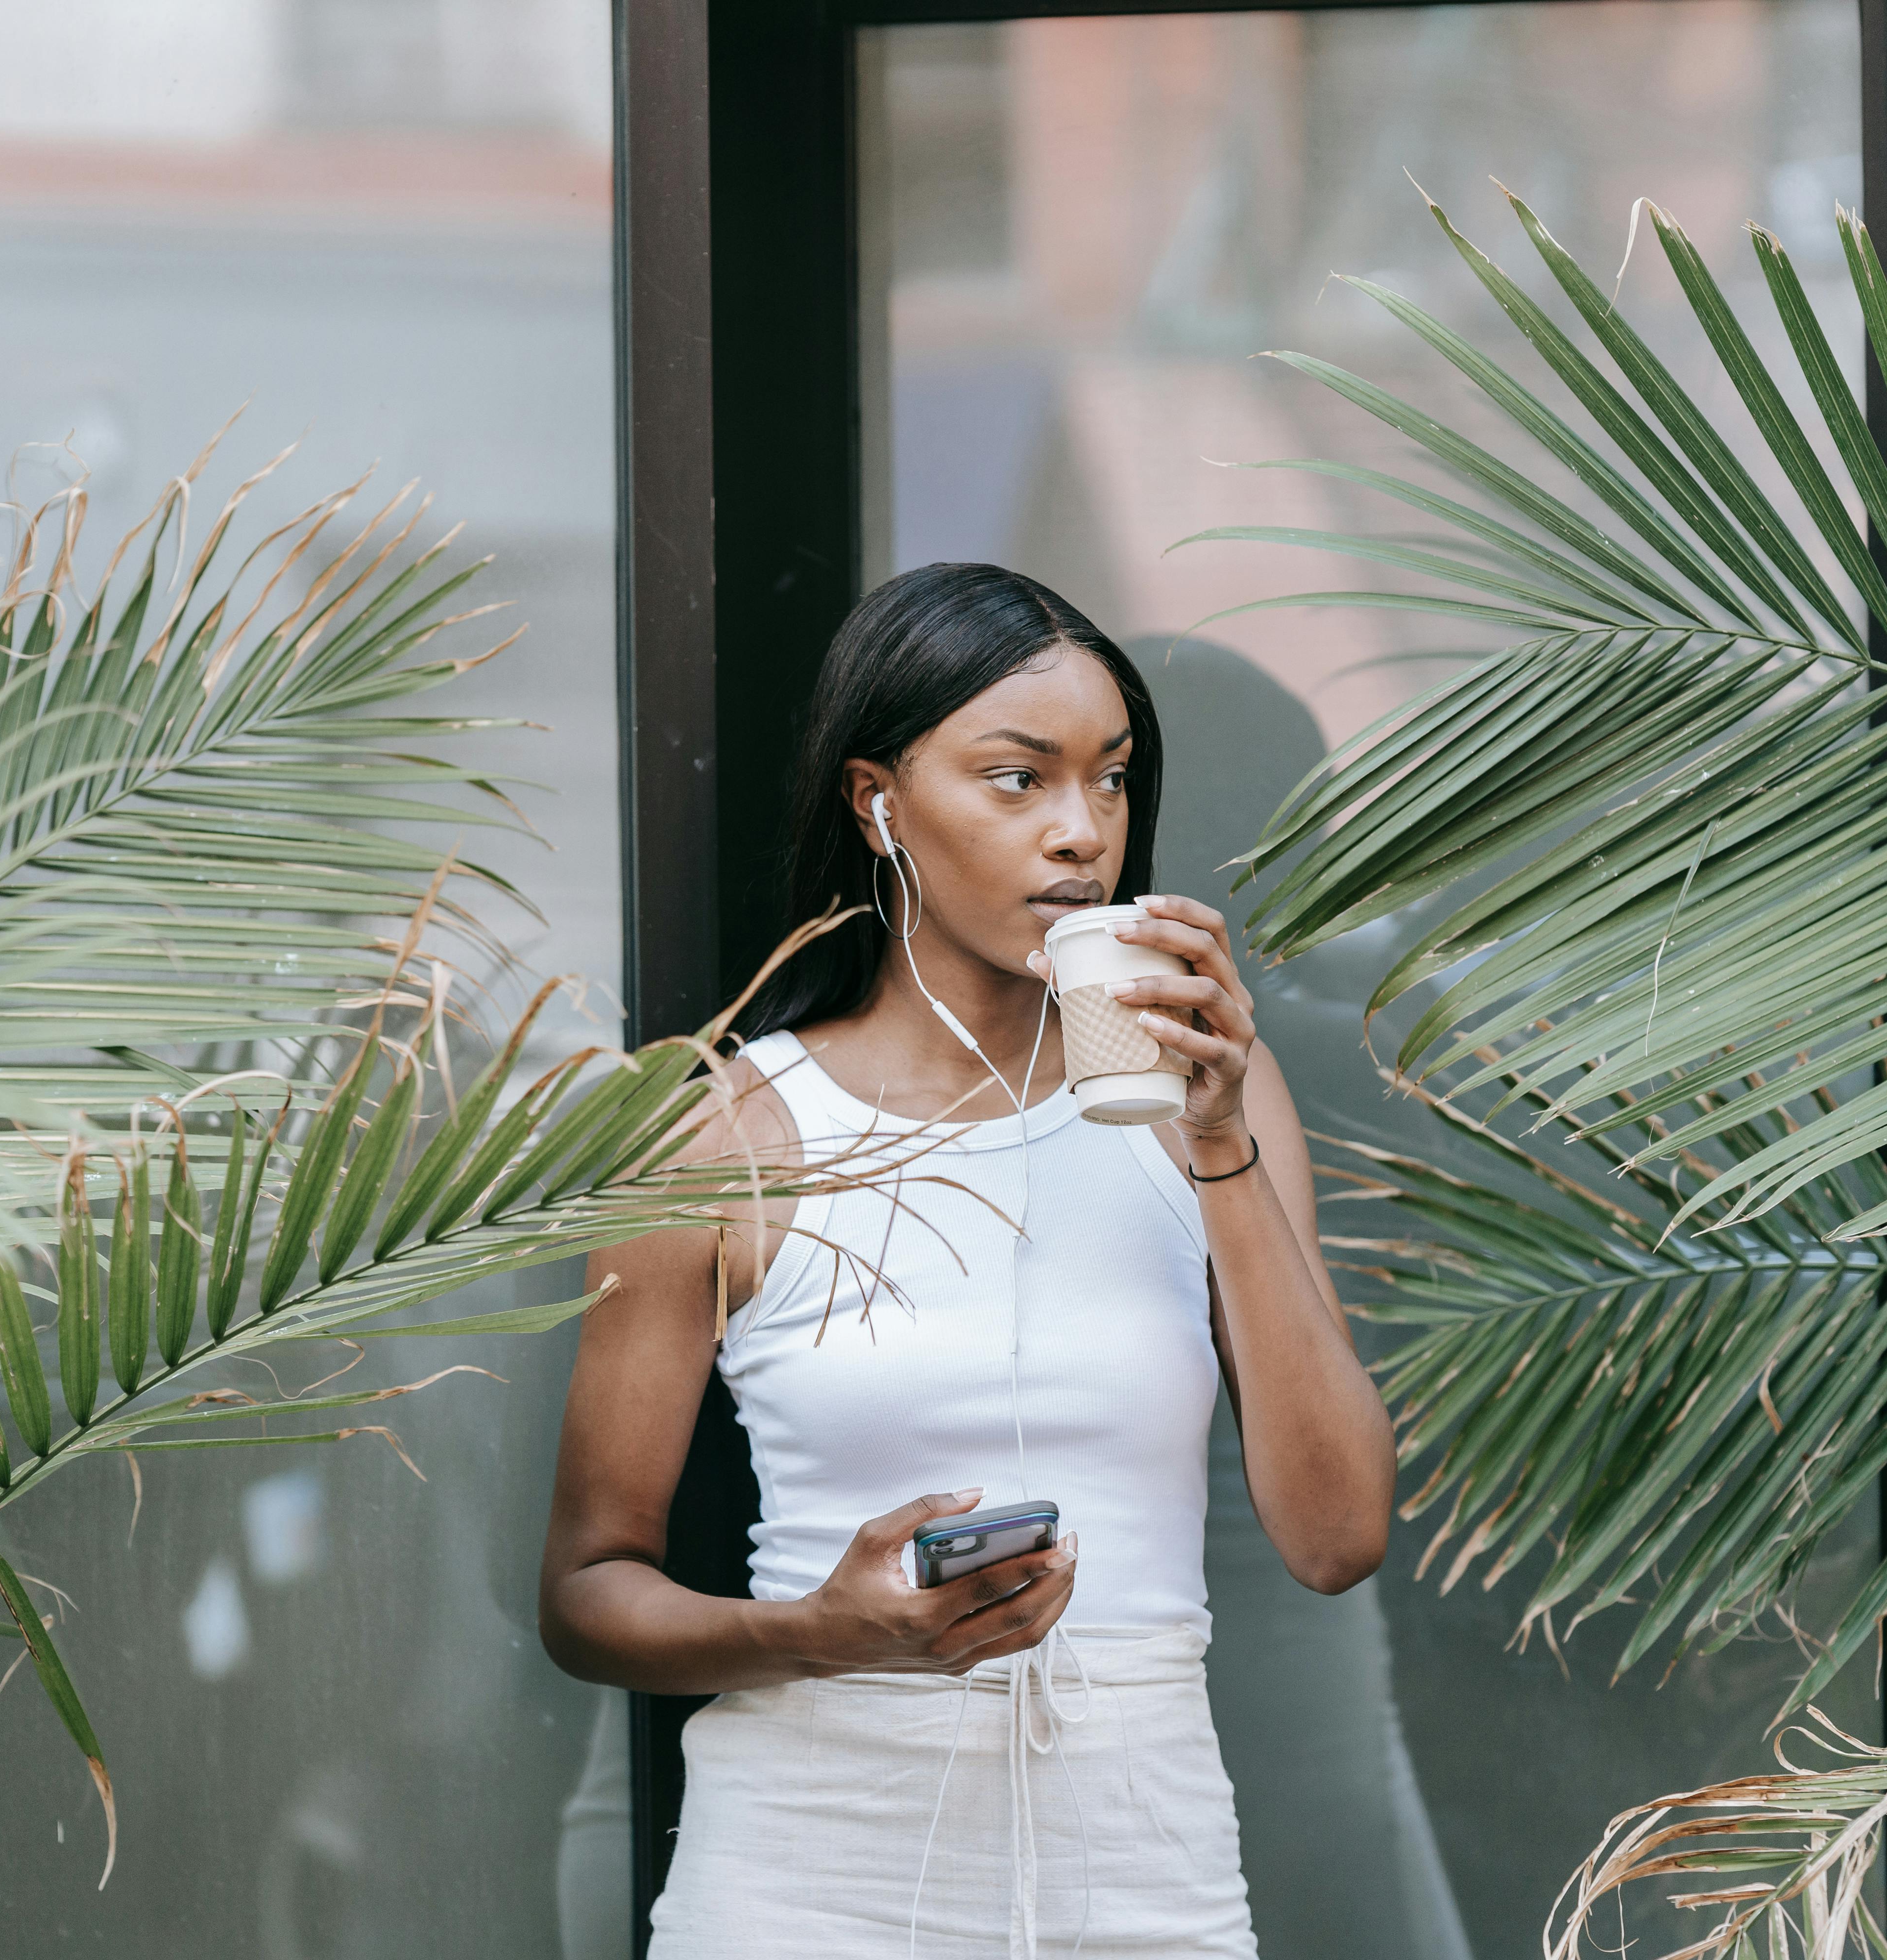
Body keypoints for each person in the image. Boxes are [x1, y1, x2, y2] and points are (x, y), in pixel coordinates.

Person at [537, 563, 1394, 1956]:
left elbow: (1337, 1537)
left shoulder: (1212, 1107)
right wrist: (830, 1631)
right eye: (1018, 779)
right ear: (879, 802)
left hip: (1144, 1862)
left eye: (1110, 782)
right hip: (811, 1870)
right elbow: (586, 1593)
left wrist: (1223, 1136)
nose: (1082, 835)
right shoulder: (737, 1131)